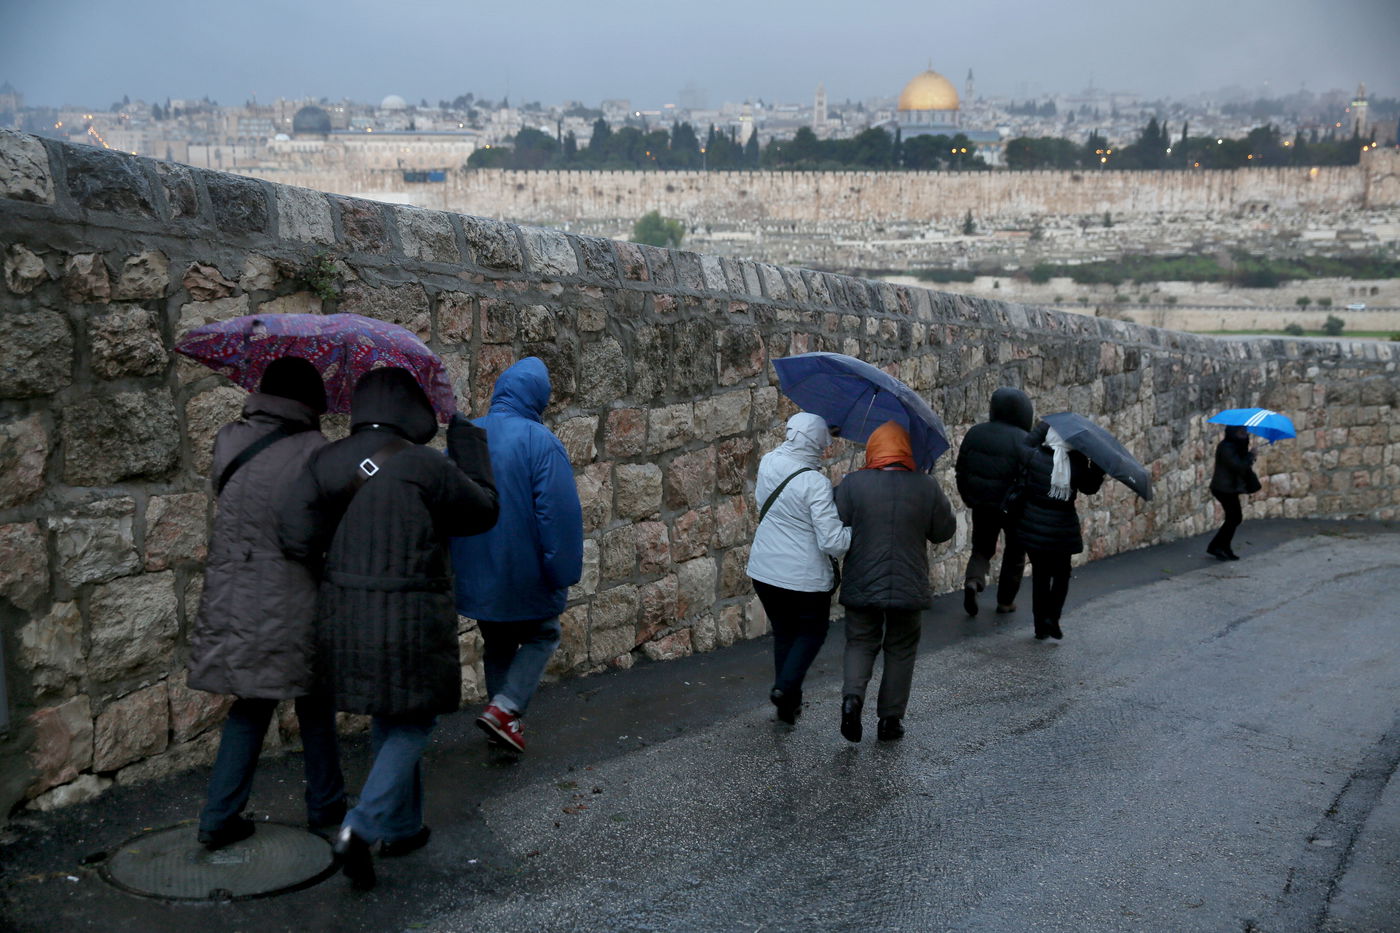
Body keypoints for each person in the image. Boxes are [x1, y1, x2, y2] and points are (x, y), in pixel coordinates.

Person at [278, 367, 498, 890]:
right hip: (412, 616)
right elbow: (484, 512)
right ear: (410, 409)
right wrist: (468, 443)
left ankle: (403, 826)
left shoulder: (325, 461)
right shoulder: (426, 465)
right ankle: (364, 824)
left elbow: (294, 534)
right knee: (414, 721)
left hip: (345, 615)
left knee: (390, 711)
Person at [187, 357, 347, 850]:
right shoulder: (316, 452)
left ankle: (220, 816)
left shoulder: (229, 440)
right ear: (309, 401)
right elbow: (318, 529)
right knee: (315, 699)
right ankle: (326, 806)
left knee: (251, 703)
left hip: (234, 595)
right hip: (294, 596)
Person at [450, 357, 583, 754]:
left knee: (498, 641)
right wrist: (562, 571)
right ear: (538, 397)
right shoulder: (540, 440)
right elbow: (557, 513)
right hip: (524, 569)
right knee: (544, 633)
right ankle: (506, 709)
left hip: (477, 569)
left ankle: (503, 725)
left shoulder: (467, 434)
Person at [834, 422, 956, 742]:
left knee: (860, 641)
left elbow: (835, 520)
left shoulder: (853, 484)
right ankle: (890, 721)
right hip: (908, 583)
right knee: (901, 648)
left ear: (874, 449)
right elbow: (944, 530)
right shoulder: (925, 487)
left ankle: (852, 699)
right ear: (907, 452)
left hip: (862, 580)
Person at [747, 412, 851, 724]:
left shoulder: (768, 462)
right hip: (803, 580)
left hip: (764, 571)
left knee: (785, 633)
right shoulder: (814, 482)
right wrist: (854, 531)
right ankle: (784, 688)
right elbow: (833, 542)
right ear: (818, 445)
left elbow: (762, 500)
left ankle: (788, 705)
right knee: (812, 632)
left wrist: (821, 429)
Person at [1011, 421, 1106, 641]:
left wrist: (1045, 425)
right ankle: (1052, 618)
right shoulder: (1077, 461)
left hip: (1033, 525)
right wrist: (1098, 466)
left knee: (1040, 576)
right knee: (1062, 575)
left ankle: (1039, 627)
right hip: (1062, 528)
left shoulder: (1034, 456)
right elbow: (1089, 487)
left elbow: (1025, 444)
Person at [954, 387, 1034, 617]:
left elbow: (962, 469)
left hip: (982, 504)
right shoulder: (1025, 440)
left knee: (981, 548)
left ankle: (974, 581)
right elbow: (1029, 477)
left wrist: (969, 497)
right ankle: (1005, 602)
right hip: (1014, 508)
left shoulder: (975, 433)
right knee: (1015, 554)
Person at [1207, 425, 1261, 561]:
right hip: (1223, 489)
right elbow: (1238, 465)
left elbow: (1242, 464)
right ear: (1233, 433)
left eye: (1245, 432)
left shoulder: (1236, 446)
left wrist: (1249, 454)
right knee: (1234, 518)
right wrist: (1251, 455)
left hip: (1229, 488)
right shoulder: (1226, 447)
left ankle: (1220, 546)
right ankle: (1219, 546)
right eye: (1241, 432)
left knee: (1234, 518)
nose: (1245, 435)